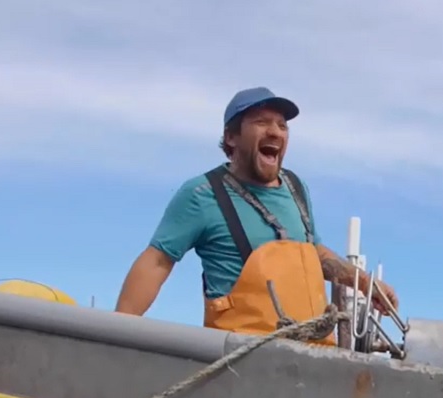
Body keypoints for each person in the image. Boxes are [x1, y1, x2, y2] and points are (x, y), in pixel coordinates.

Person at [115, 87, 398, 342]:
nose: (275, 131)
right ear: (231, 137)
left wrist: (365, 283)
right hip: (241, 360)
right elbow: (157, 262)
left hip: (314, 356)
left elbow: (313, 254)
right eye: (261, 122)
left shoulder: (296, 188)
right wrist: (115, 336)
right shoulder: (203, 194)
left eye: (282, 125)